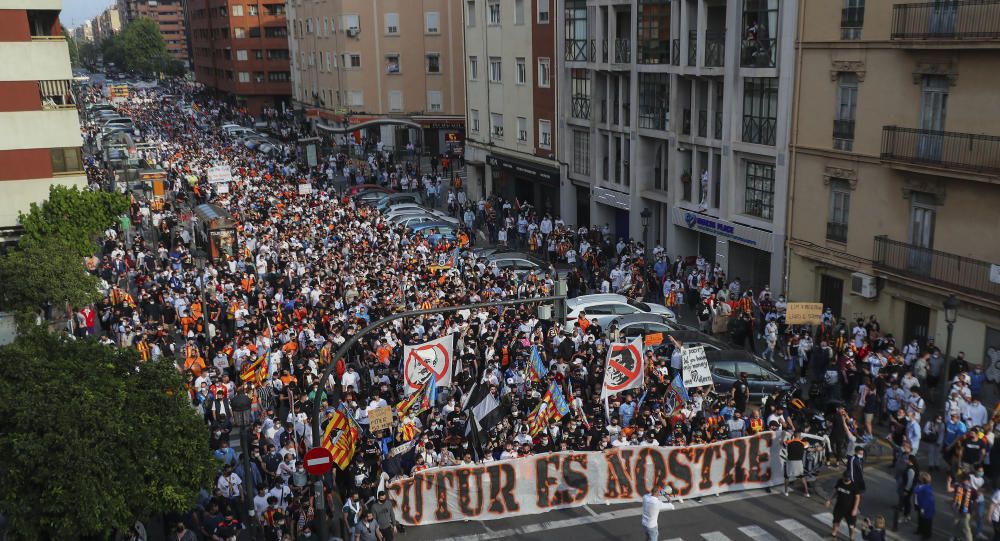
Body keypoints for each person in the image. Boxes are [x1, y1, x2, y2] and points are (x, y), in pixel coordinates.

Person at [827, 473, 861, 539]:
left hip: (850, 509)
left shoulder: (854, 485)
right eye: (846, 477)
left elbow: (858, 497)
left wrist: (855, 509)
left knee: (851, 526)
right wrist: (829, 500)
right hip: (839, 507)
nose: (847, 479)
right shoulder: (839, 481)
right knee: (836, 521)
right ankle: (833, 534)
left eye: (848, 478)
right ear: (843, 476)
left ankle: (851, 538)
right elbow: (835, 491)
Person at [783, 430, 809, 497]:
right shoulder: (804, 443)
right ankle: (807, 493)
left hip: (790, 462)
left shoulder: (788, 442)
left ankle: (786, 492)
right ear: (800, 436)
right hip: (799, 462)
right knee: (802, 477)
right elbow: (807, 445)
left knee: (787, 477)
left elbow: (782, 443)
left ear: (793, 435)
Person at [912, 472, 935, 540]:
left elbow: (927, 501)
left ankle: (927, 535)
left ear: (923, 480)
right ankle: (920, 530)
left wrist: (923, 509)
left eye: (920, 477)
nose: (918, 478)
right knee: (920, 519)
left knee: (927, 522)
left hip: (926, 508)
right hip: (921, 506)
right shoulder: (922, 486)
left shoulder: (926, 489)